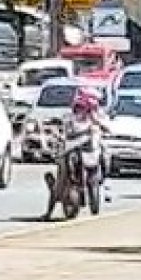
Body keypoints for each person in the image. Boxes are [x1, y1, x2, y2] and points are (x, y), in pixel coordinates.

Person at [42, 88, 109, 221]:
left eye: (86, 108)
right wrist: (59, 134)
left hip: (90, 153)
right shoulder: (70, 119)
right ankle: (49, 211)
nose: (82, 111)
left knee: (105, 155)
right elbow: (65, 132)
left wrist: (98, 124)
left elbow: (108, 128)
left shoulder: (97, 118)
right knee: (61, 179)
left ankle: (104, 183)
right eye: (79, 108)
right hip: (71, 152)